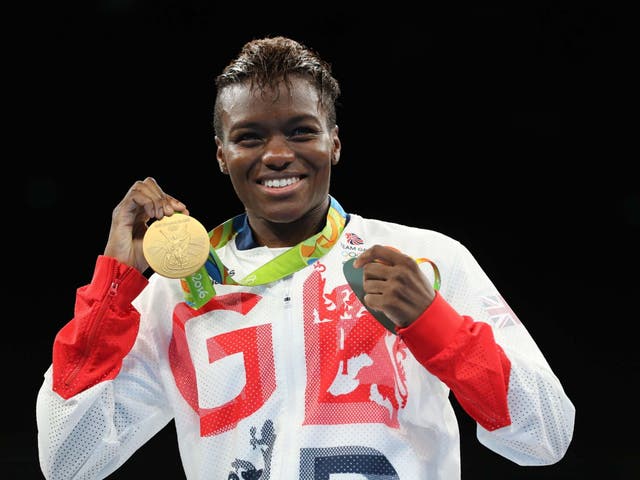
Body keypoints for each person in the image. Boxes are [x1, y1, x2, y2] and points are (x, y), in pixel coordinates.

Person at [36, 36, 575, 479]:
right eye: (249, 137)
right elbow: (69, 462)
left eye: (300, 131)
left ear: (333, 143)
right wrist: (115, 286)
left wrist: (436, 324)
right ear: (222, 155)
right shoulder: (174, 292)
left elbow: (544, 436)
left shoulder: (426, 260)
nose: (276, 154)